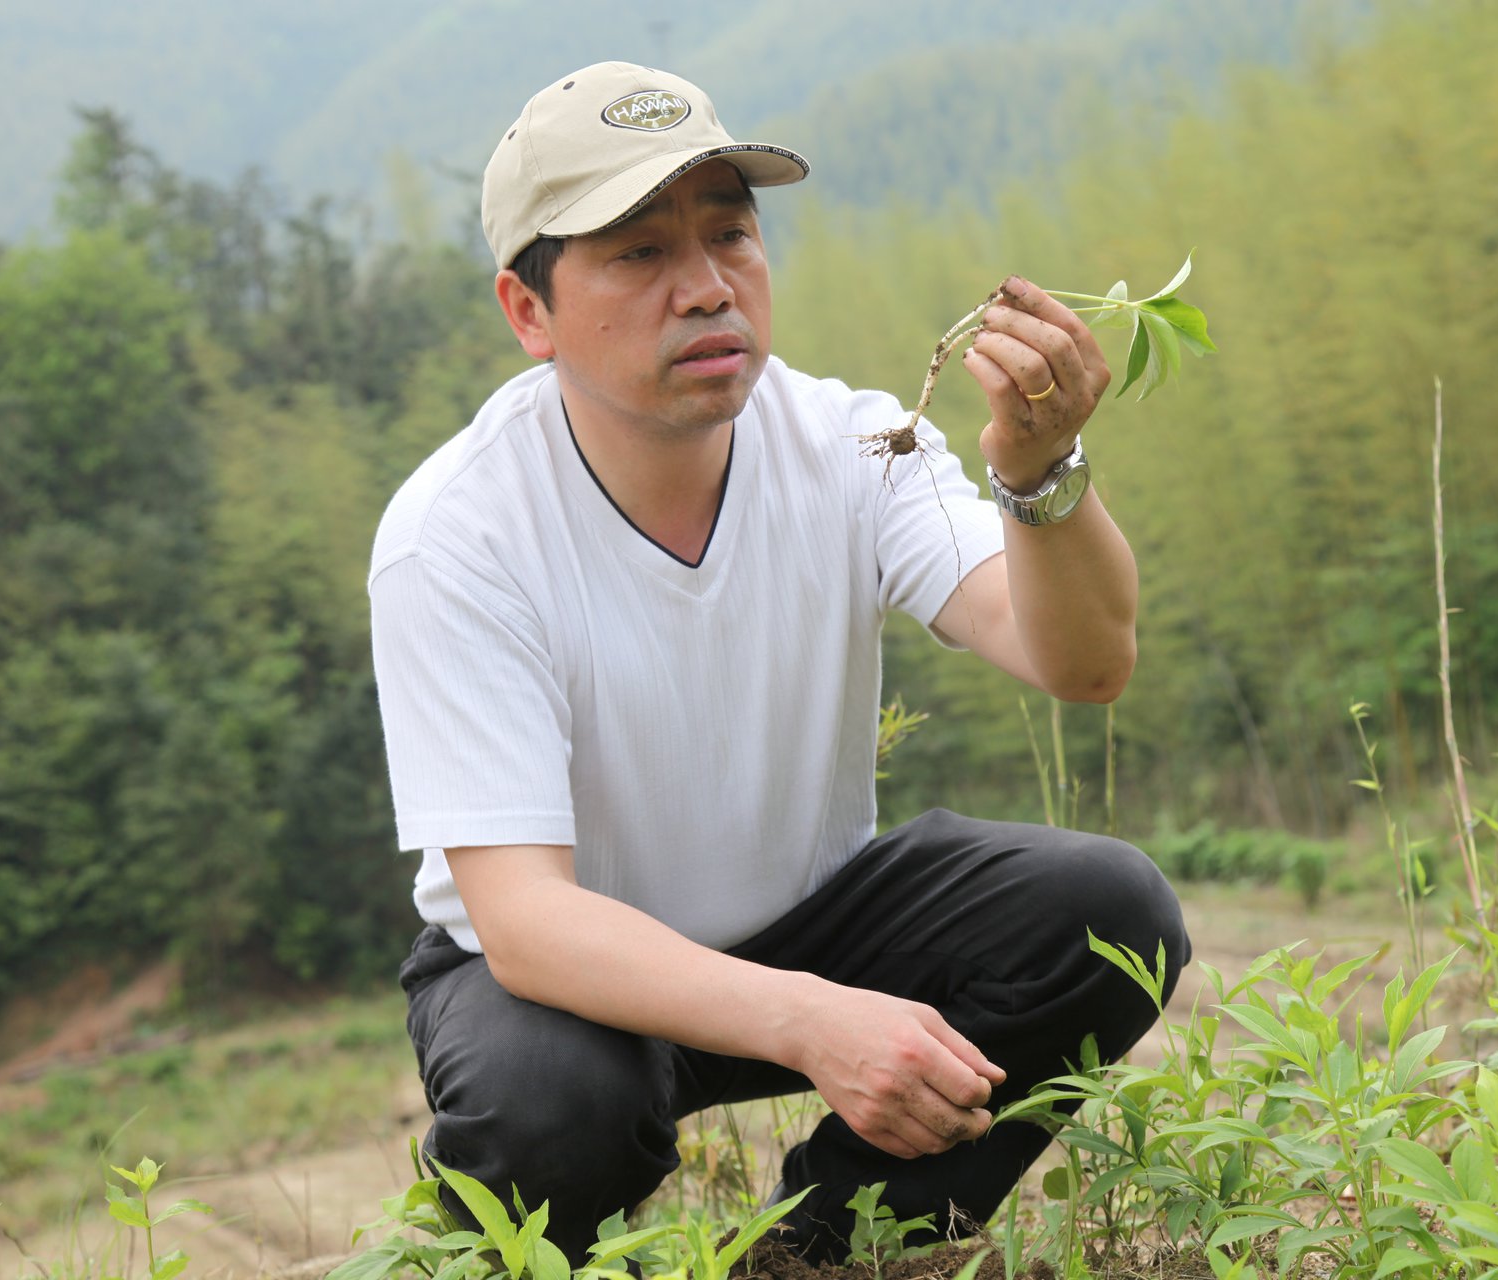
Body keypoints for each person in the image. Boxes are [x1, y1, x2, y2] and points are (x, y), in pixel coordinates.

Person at [367, 61, 1192, 1263]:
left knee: (1105, 912)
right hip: (561, 981)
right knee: (549, 1105)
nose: (706, 288)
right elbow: (530, 922)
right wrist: (815, 1023)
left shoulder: (853, 442)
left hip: (813, 919)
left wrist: (1038, 471)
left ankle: (819, 1252)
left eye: (731, 235)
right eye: (639, 253)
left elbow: (1082, 659)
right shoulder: (461, 534)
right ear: (529, 310)